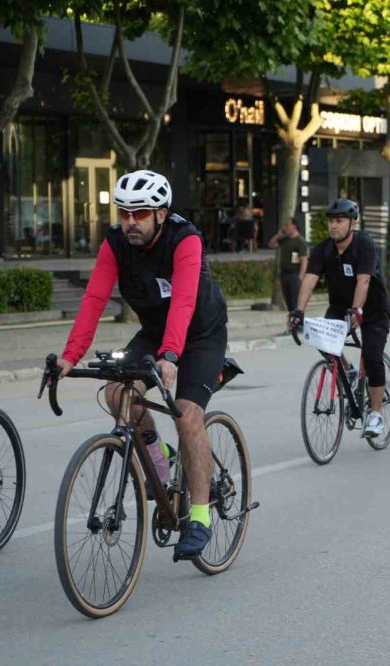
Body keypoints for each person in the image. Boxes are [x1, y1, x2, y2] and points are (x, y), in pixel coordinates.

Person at [54, 170, 228, 559]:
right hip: (155, 330)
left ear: (161, 215)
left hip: (201, 333)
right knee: (118, 393)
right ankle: (161, 461)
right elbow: (94, 299)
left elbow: (183, 301)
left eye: (141, 214)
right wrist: (70, 355)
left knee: (186, 415)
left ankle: (199, 516)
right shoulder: (115, 243)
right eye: (124, 213)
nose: (130, 222)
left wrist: (169, 356)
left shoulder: (185, 240)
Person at [289, 198, 390, 437]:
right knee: (320, 339)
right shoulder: (323, 249)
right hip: (339, 307)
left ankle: (375, 415)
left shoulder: (364, 245)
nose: (334, 226)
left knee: (372, 355)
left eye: (339, 221)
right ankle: (349, 370)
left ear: (352, 224)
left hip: (373, 309)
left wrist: (357, 309)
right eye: (331, 221)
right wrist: (299, 310)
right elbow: (310, 279)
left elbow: (363, 280)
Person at [268, 218, 309, 313]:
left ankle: (298, 323)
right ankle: (292, 322)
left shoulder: (300, 241)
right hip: (284, 273)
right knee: (288, 301)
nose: (285, 228)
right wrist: (278, 235)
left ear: (293, 227)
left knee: (295, 302)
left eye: (287, 225)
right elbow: (271, 244)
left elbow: (304, 259)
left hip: (294, 274)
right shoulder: (285, 240)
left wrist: (300, 277)